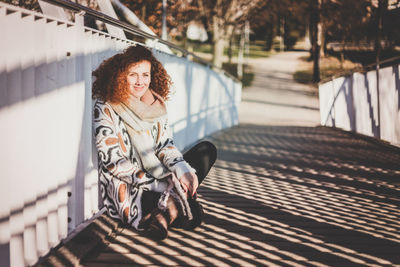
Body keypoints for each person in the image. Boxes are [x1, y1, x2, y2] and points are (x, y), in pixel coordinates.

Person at [92, 45, 216, 240]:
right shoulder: (107, 105)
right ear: (121, 76)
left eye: (145, 75)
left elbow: (165, 146)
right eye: (133, 75)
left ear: (152, 76)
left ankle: (164, 213)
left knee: (207, 151)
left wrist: (183, 171)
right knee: (194, 214)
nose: (140, 81)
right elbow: (114, 163)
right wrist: (162, 185)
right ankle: (168, 210)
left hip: (160, 177)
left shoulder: (155, 106)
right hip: (132, 186)